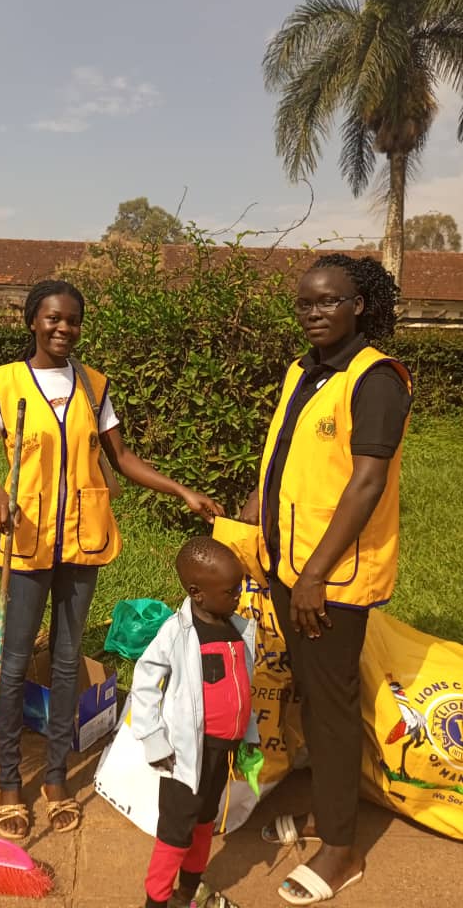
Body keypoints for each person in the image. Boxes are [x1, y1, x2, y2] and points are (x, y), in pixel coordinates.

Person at [0, 279, 223, 838]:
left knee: (66, 661)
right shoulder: (3, 383)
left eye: (73, 321)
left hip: (82, 540)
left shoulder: (92, 385)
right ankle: (11, 780)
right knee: (13, 663)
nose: (63, 329)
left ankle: (56, 774)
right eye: (53, 319)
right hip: (28, 540)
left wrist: (180, 490)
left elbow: (122, 456)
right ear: (32, 320)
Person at [240, 254, 412, 905]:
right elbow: (286, 453)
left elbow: (366, 482)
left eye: (328, 302)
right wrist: (259, 505)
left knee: (332, 706)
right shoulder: (305, 371)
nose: (313, 313)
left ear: (359, 305)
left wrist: (314, 574)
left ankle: (342, 850)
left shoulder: (376, 380)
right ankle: (326, 812)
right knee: (314, 699)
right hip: (293, 567)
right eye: (305, 303)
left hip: (333, 580)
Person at [131, 536, 258, 908]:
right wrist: (153, 738)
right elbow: (144, 680)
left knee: (205, 822)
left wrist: (248, 736)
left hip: (223, 751)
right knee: (175, 832)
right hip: (185, 756)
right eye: (230, 591)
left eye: (239, 588)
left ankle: (188, 890)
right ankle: (156, 900)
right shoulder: (177, 633)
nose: (238, 596)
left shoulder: (239, 630)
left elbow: (243, 689)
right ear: (197, 593)